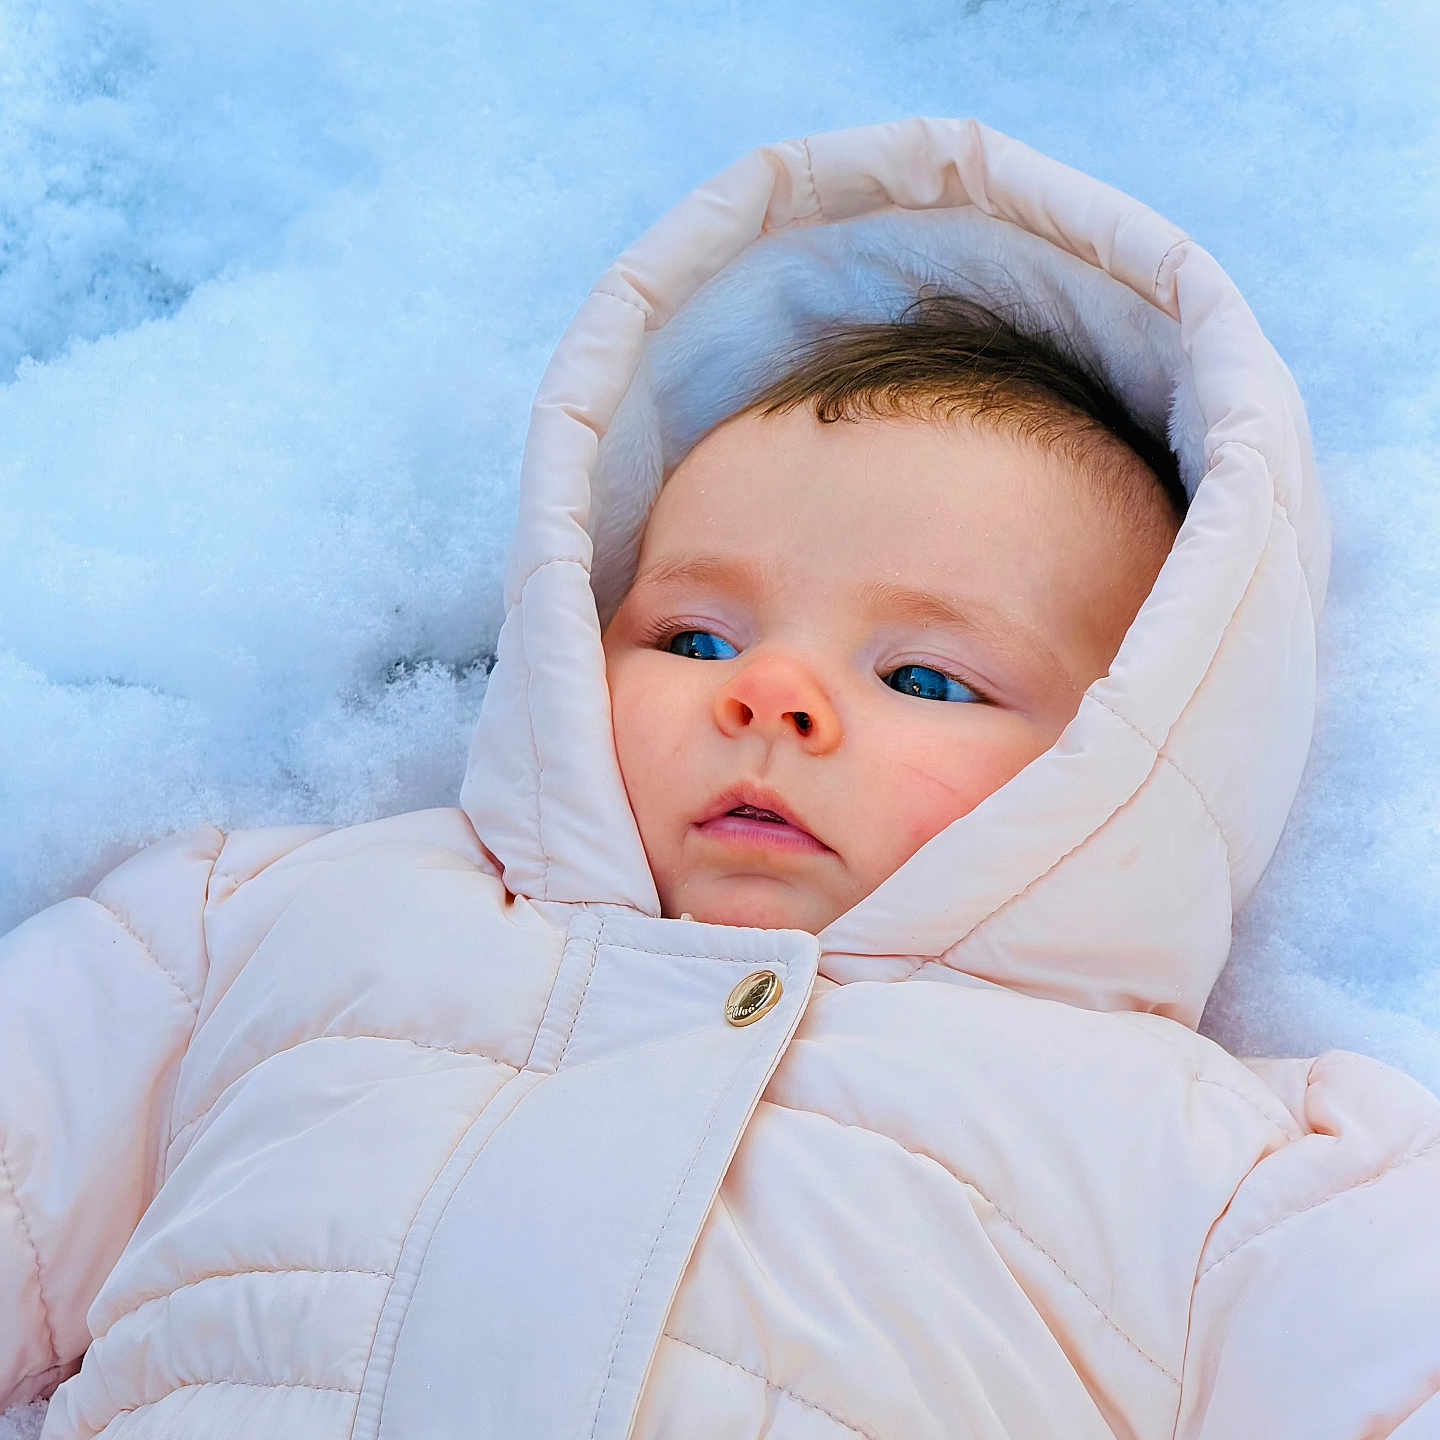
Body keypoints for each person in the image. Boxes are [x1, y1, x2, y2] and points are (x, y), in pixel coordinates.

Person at [3, 117, 1437, 1440]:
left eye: (924, 676)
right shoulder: (267, 925)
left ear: (1137, 755)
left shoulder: (1227, 1175)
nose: (772, 694)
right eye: (695, 634)